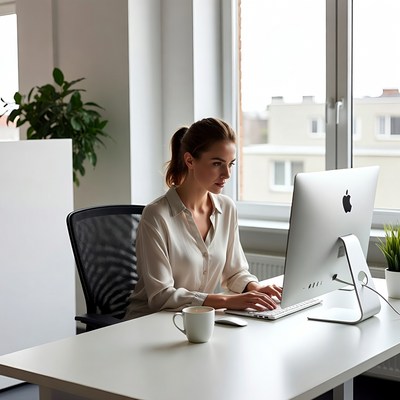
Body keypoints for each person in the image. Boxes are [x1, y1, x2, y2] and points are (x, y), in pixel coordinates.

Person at [124, 117, 282, 320]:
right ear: (190, 160)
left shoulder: (227, 208)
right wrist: (226, 301)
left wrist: (256, 288)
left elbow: (235, 273)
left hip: (197, 320)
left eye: (230, 164)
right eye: (217, 164)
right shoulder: (156, 215)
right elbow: (161, 296)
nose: (226, 174)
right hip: (150, 321)